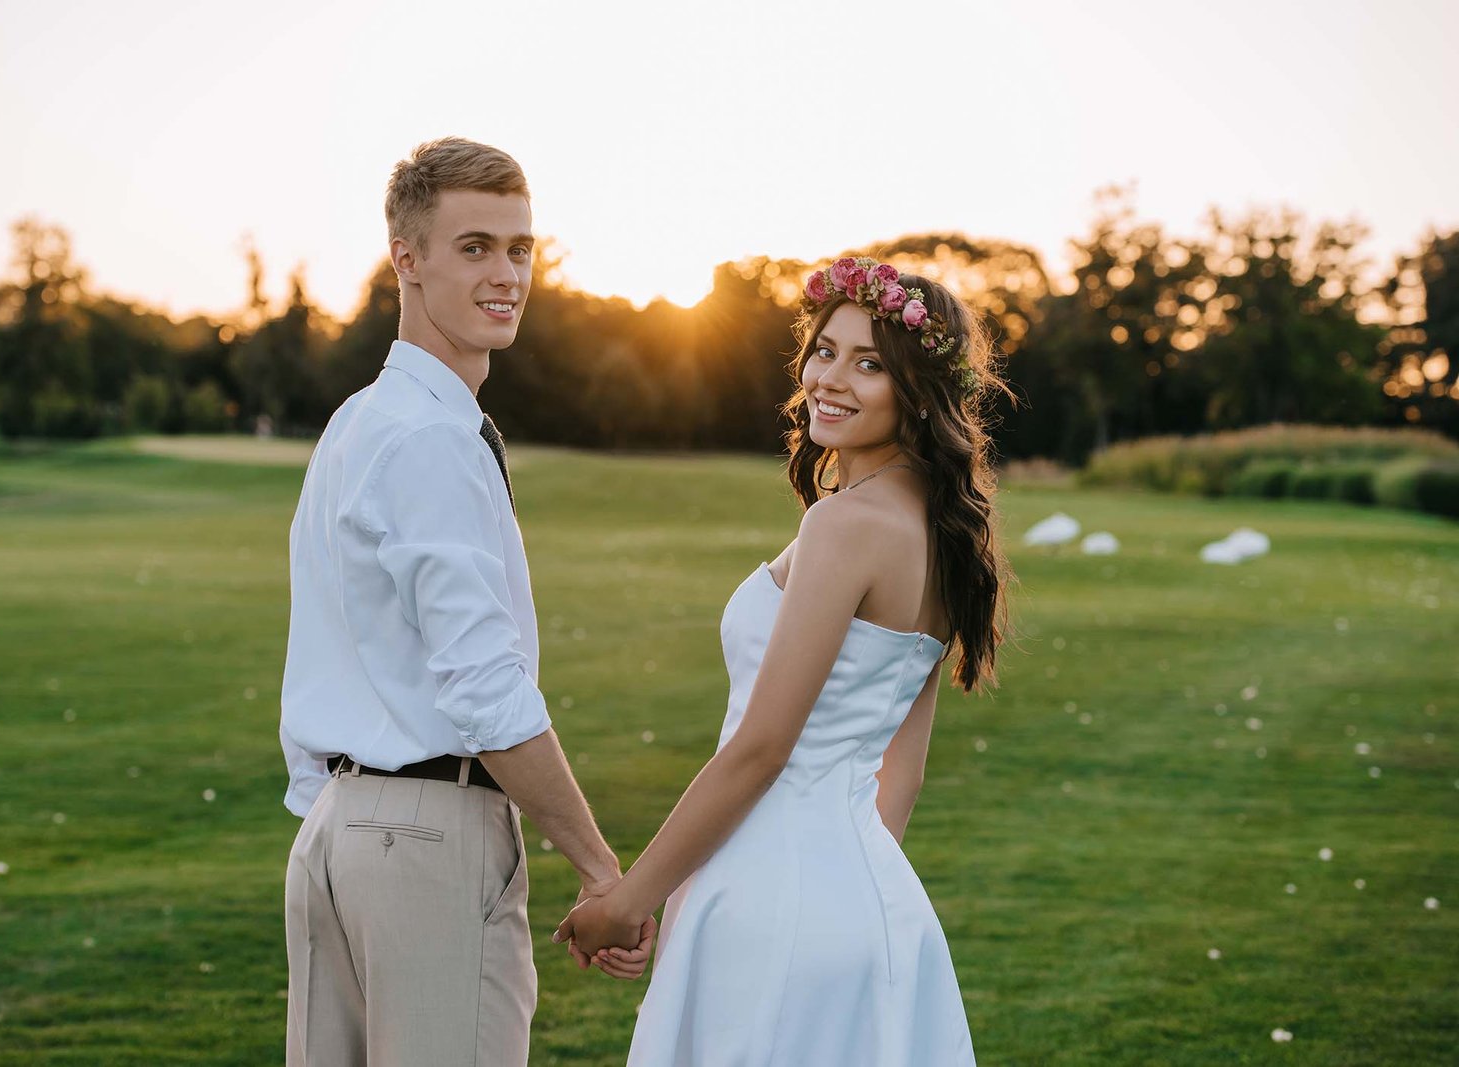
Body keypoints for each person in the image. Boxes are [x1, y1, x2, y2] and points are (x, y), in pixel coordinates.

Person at [554, 257, 1011, 1065]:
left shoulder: (843, 526)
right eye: (825, 351)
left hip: (769, 901)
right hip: (873, 904)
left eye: (869, 363)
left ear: (919, 391)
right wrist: (838, 890)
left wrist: (628, 901)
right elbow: (901, 773)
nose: (831, 378)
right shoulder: (940, 534)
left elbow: (761, 748)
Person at [279, 137, 653, 1067]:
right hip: (426, 838)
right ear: (406, 258)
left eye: (520, 249)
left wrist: (339, 819)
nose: (507, 274)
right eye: (475, 246)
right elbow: (485, 689)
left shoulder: (360, 421)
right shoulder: (429, 439)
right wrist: (601, 867)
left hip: (336, 831)